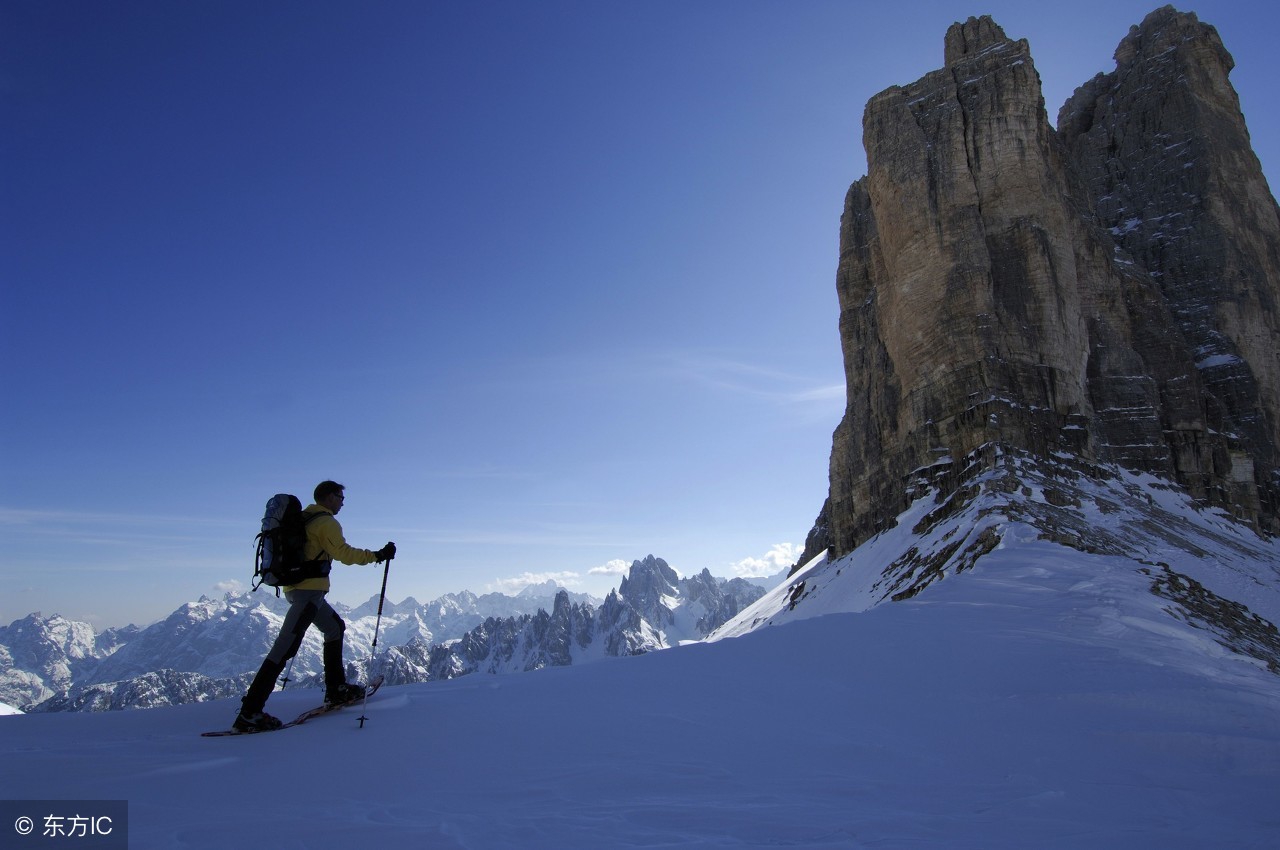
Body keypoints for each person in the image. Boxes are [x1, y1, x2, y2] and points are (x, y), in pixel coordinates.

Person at [234, 480, 396, 732]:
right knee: (284, 648)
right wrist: (377, 555)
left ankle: (336, 689)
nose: (343, 502)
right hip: (308, 593)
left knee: (335, 628)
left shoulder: (305, 517)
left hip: (303, 591)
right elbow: (344, 553)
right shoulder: (326, 522)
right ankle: (250, 712)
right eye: (341, 497)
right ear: (329, 497)